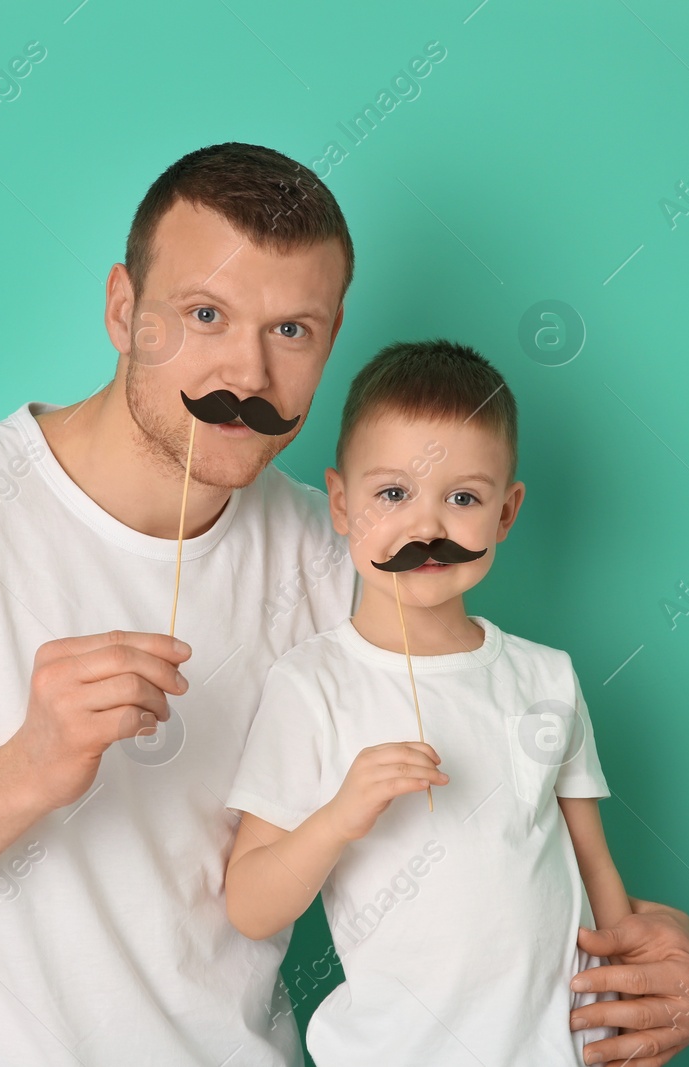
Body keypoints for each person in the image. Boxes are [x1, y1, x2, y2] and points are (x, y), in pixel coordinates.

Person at [0, 143, 689, 1066]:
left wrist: (638, 945)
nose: (248, 374)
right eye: (205, 316)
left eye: (291, 331)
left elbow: (488, 801)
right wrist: (21, 772)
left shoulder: (348, 567)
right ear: (122, 309)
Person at [225, 340, 636, 1065]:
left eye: (463, 497)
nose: (427, 527)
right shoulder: (311, 686)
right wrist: (339, 815)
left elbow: (596, 866)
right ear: (343, 505)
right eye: (393, 494)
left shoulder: (548, 677)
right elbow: (249, 903)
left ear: (506, 512)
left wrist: (630, 1011)